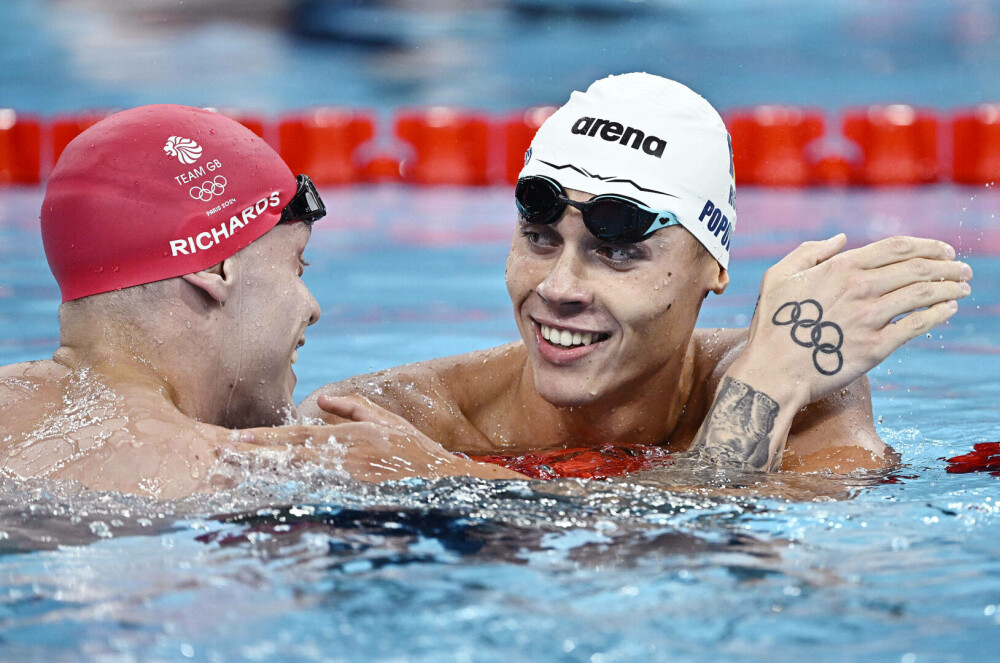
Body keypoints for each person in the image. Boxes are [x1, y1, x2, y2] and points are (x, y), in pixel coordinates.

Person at [301, 73, 973, 477]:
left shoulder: (798, 377)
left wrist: (766, 383)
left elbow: (753, 581)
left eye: (618, 252)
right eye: (539, 238)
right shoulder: (404, 419)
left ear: (713, 267)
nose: (559, 287)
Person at [0, 104, 520, 499]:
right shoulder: (226, 471)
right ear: (213, 269)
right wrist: (445, 476)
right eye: (298, 266)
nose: (312, 306)